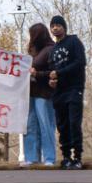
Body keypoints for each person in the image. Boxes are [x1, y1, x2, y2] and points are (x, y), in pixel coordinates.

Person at [47, 14, 88, 169]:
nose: (55, 28)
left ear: (64, 27)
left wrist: (60, 73)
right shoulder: (53, 49)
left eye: (58, 25)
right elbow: (51, 70)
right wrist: (51, 80)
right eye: (52, 26)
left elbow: (80, 62)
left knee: (74, 123)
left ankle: (77, 157)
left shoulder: (73, 41)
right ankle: (66, 157)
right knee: (62, 125)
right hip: (59, 92)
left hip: (74, 89)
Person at [23, 23, 58, 168]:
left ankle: (49, 157)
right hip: (30, 93)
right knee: (30, 126)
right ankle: (31, 157)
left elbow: (54, 71)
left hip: (44, 94)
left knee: (46, 125)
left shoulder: (50, 50)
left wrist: (38, 74)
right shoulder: (32, 50)